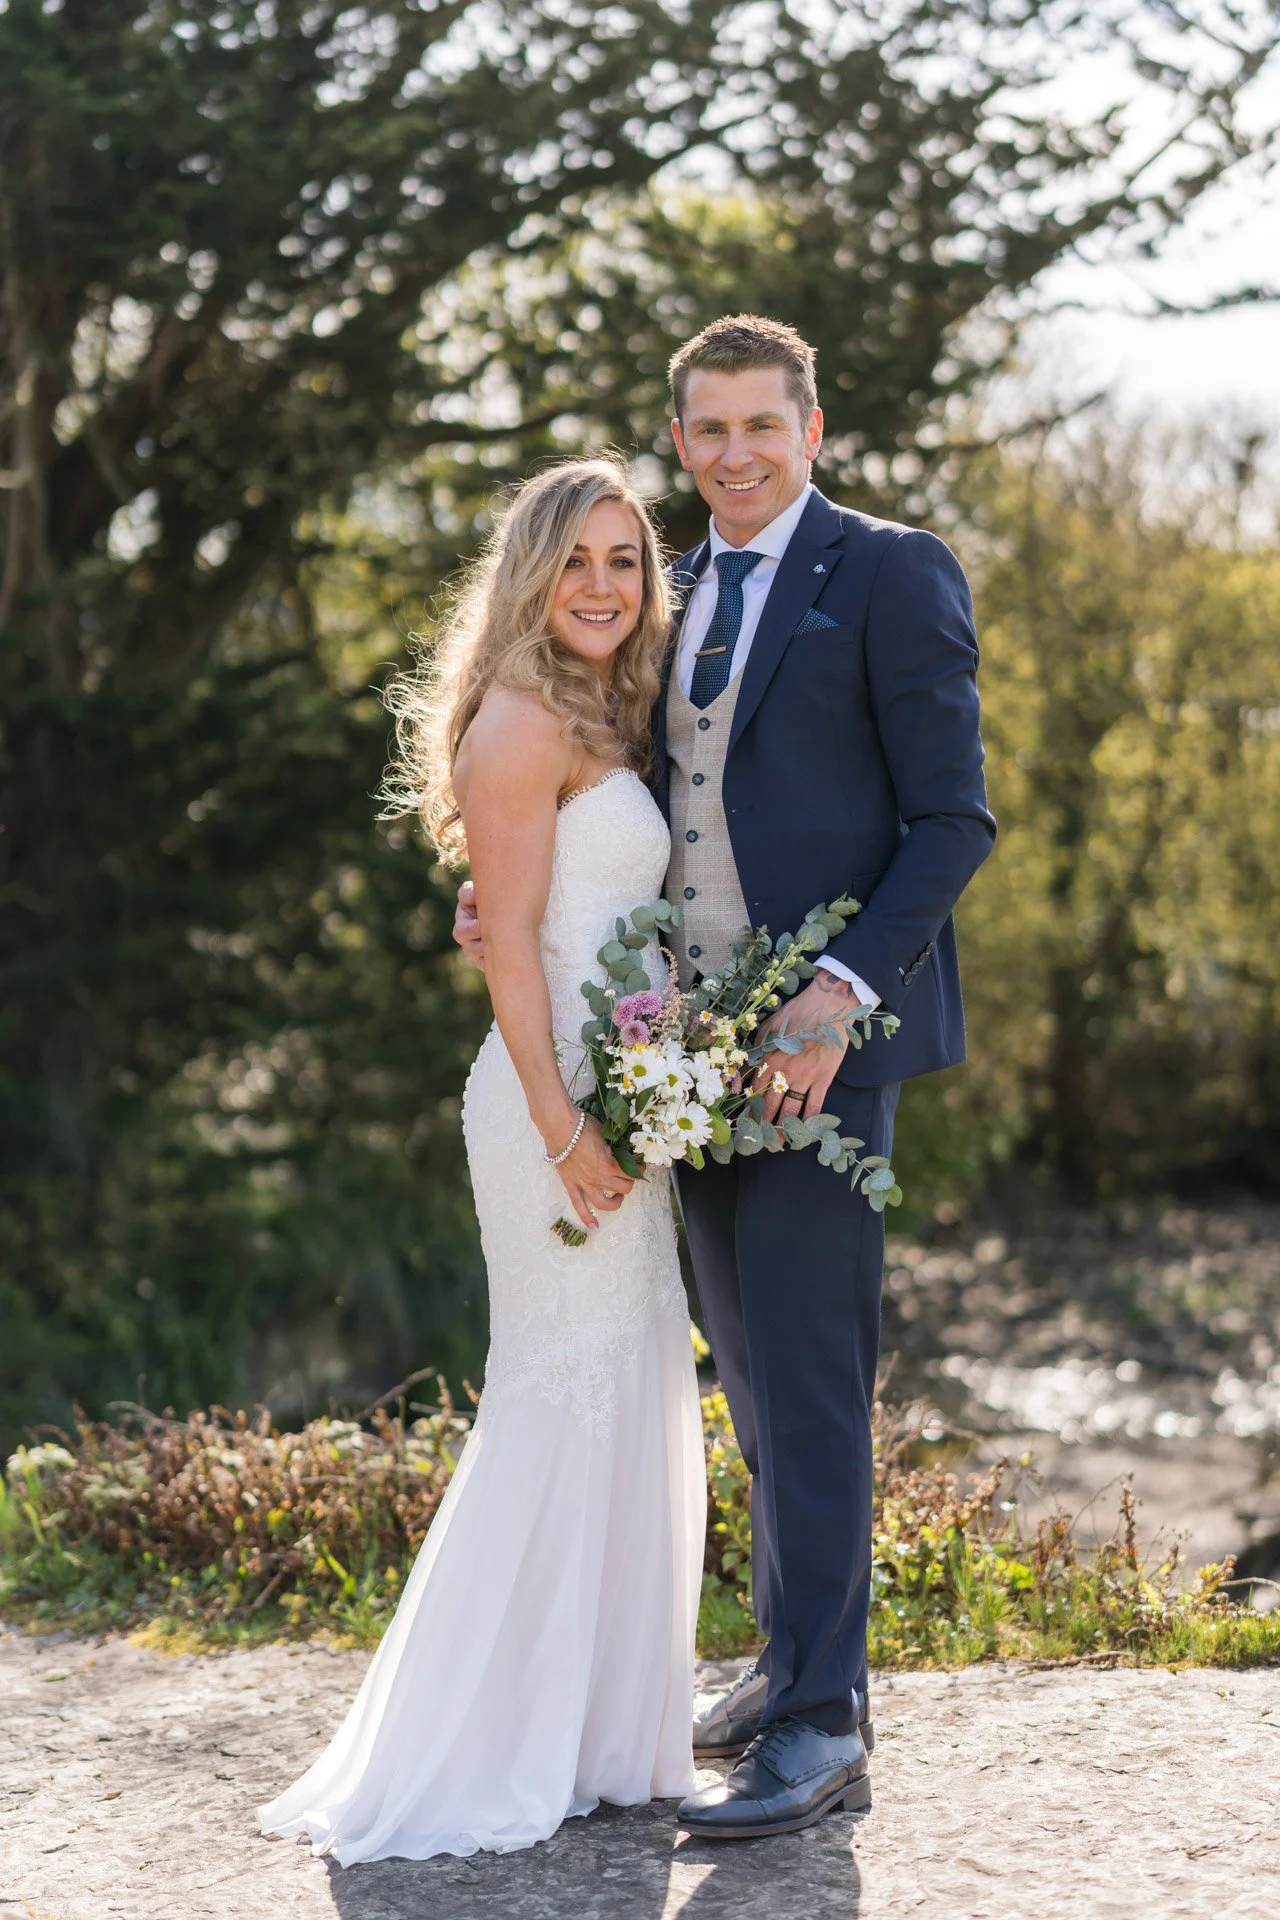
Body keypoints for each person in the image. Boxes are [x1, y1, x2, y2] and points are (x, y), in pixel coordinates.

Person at [454, 315, 995, 1838]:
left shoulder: (893, 572)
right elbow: (607, 795)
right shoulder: (662, 589)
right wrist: (512, 894)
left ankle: (825, 1726)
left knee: (813, 1384)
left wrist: (833, 993)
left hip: (823, 1055)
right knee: (749, 1374)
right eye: (709, 431)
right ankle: (785, 1664)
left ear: (812, 427)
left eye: (765, 425)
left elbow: (952, 822)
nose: (737, 454)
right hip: (680, 1066)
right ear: (679, 440)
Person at [258, 458, 706, 1864]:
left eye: (625, 561)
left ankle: (595, 1735)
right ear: (528, 573)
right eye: (575, 560)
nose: (602, 586)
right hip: (547, 1108)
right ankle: (493, 1742)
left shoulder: (611, 711)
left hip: (622, 1097)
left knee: (628, 1390)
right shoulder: (519, 722)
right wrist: (566, 1121)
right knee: (557, 1398)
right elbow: (508, 942)